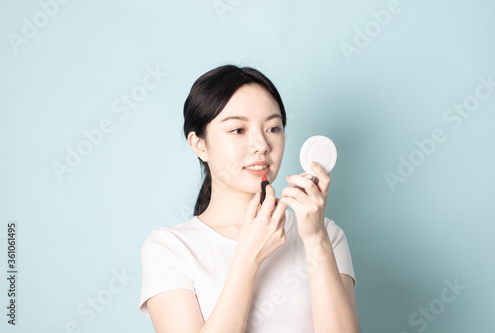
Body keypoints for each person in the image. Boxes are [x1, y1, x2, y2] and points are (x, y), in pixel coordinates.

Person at [138, 64, 360, 332]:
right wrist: (248, 257)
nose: (262, 145)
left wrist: (315, 239)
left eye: (273, 128)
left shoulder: (327, 235)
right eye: (238, 130)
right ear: (199, 145)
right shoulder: (170, 248)